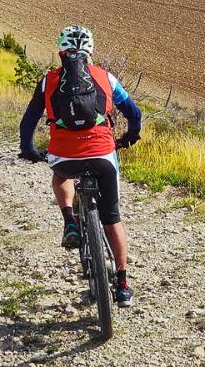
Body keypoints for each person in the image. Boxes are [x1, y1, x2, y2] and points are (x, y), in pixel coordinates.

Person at [18, 24, 142, 308]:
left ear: (61, 51)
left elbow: (27, 123)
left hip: (65, 157)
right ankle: (122, 285)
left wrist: (29, 150)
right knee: (112, 218)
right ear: (90, 51)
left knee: (59, 175)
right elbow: (134, 113)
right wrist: (131, 135)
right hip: (103, 155)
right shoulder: (106, 78)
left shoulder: (47, 81)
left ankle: (70, 222)